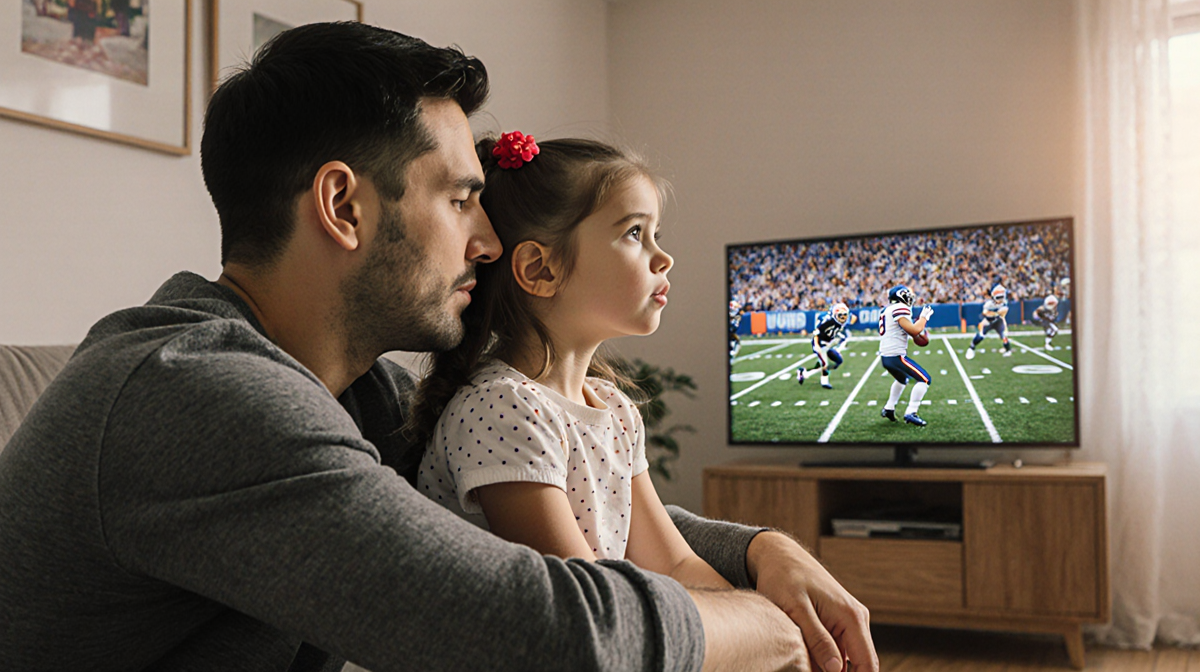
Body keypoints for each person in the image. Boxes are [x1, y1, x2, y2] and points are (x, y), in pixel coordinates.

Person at [0, 21, 877, 672]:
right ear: (343, 207)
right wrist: (775, 624)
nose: (487, 244)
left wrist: (765, 548)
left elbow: (583, 506)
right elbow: (553, 637)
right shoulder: (199, 394)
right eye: (460, 202)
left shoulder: (356, 393)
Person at [412, 134, 729, 593]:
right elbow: (590, 601)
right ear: (541, 270)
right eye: (634, 233)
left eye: (655, 234)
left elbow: (677, 566)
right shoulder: (503, 409)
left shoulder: (615, 410)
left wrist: (771, 628)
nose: (664, 257)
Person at [878, 285, 934, 427]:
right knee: (924, 379)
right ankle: (911, 412)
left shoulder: (887, 310)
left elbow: (909, 331)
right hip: (896, 355)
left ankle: (889, 408)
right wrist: (923, 318)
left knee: (902, 379)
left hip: (886, 356)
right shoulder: (900, 308)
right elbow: (914, 330)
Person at [796, 302, 851, 389]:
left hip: (828, 344)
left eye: (845, 315)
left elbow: (834, 332)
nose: (843, 318)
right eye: (841, 315)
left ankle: (804, 373)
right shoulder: (827, 321)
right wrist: (817, 346)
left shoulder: (838, 321)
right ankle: (824, 381)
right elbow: (816, 334)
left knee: (838, 361)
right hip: (820, 343)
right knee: (824, 364)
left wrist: (840, 339)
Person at [966, 283, 1013, 359]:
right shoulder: (988, 304)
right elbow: (985, 313)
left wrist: (996, 314)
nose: (1000, 300)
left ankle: (1008, 350)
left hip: (998, 321)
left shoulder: (1004, 302)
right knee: (981, 335)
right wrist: (995, 313)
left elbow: (1004, 312)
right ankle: (971, 348)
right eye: (999, 297)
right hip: (988, 322)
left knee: (1004, 336)